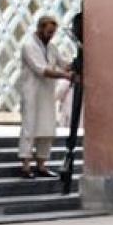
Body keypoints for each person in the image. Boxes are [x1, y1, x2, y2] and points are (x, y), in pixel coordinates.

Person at [17, 16, 71, 179]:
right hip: (32, 92)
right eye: (48, 32)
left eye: (53, 33)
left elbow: (63, 64)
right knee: (30, 127)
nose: (50, 35)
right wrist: (66, 76)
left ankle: (42, 164)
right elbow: (42, 70)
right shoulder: (29, 46)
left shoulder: (52, 47)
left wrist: (75, 65)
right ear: (40, 28)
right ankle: (26, 165)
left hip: (47, 94)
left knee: (47, 129)